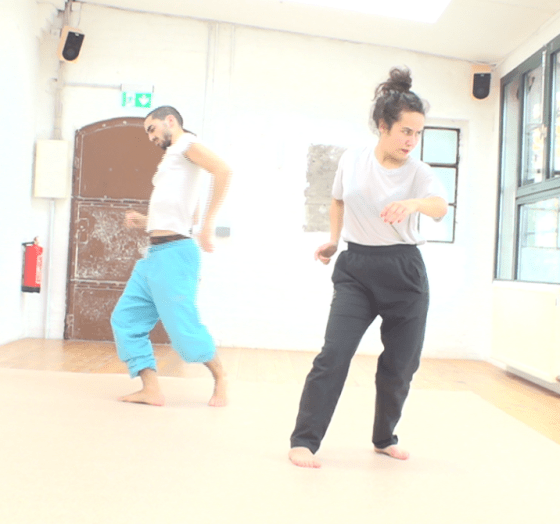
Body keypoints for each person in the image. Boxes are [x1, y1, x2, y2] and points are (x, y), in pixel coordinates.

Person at [288, 67, 448, 468]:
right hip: (357, 268)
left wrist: (412, 203)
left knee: (400, 366)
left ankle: (384, 438)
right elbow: (338, 199)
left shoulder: (420, 172)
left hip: (405, 272)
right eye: (405, 131)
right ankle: (304, 441)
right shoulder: (354, 159)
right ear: (382, 126)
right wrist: (334, 239)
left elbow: (439, 207)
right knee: (334, 355)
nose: (411, 141)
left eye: (418, 133)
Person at [111, 106, 231, 407]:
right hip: (154, 255)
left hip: (175, 255)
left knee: (183, 331)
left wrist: (208, 225)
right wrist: (145, 221)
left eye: (152, 129)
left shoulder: (187, 144)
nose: (150, 137)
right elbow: (186, 211)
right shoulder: (172, 159)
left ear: (170, 121)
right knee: (126, 320)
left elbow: (223, 171)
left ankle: (221, 377)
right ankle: (150, 389)